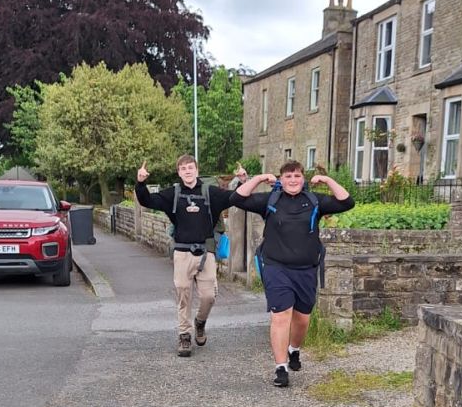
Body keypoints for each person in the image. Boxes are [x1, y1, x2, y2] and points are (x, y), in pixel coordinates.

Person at [233, 160, 353, 387]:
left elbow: (347, 201)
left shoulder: (314, 200)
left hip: (306, 269)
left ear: (303, 178)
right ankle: (281, 368)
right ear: (281, 179)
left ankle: (294, 349)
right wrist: (259, 178)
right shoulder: (271, 200)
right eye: (288, 176)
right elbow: (237, 198)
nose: (293, 180)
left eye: (297, 175)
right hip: (276, 267)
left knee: (302, 318)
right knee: (281, 315)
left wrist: (326, 180)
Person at [135, 155, 238, 357]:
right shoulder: (173, 193)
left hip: (206, 253)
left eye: (190, 167)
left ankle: (200, 322)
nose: (187, 171)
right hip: (182, 252)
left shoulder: (210, 192)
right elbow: (147, 200)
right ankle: (184, 335)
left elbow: (234, 197)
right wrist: (140, 183)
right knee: (183, 295)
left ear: (197, 170)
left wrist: (243, 181)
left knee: (209, 296)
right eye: (183, 168)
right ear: (179, 173)